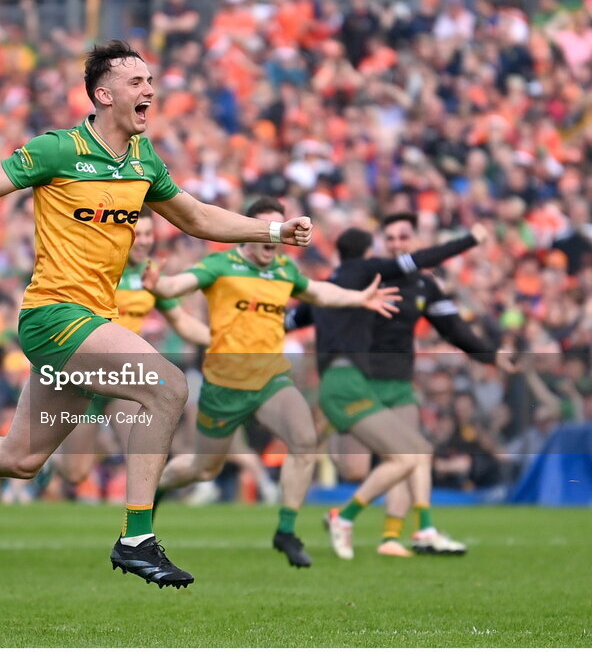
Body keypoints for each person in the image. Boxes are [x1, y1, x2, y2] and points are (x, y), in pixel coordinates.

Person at [0, 40, 312, 589]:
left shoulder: (143, 161)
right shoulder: (58, 149)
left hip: (89, 324)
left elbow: (195, 216)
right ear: (103, 95)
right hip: (53, 317)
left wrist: (272, 230)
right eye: (137, 82)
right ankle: (136, 538)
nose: (150, 90)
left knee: (20, 457)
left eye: (151, 81)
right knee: (166, 387)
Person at [144, 197, 399, 568]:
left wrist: (360, 297)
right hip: (224, 386)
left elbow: (320, 292)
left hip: (271, 379)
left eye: (279, 230)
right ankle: (159, 488)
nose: (273, 238)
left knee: (304, 440)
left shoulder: (284, 269)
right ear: (248, 231)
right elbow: (176, 286)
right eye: (266, 229)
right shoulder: (221, 264)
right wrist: (158, 285)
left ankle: (286, 532)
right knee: (203, 469)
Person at [290, 217, 509, 558]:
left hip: (398, 382)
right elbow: (309, 310)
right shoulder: (366, 276)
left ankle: (405, 533)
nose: (396, 242)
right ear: (379, 245)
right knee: (356, 469)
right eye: (389, 237)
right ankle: (345, 510)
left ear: (414, 239)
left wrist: (491, 356)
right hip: (357, 382)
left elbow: (453, 329)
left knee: (414, 453)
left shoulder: (424, 286)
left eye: (403, 236)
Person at [55, 204, 210, 489]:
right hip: (84, 377)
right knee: (75, 472)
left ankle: (139, 529)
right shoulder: (99, 269)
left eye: (150, 234)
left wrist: (225, 341)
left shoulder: (151, 276)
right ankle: (58, 453)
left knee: (145, 458)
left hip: (123, 379)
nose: (145, 241)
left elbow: (183, 323)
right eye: (138, 234)